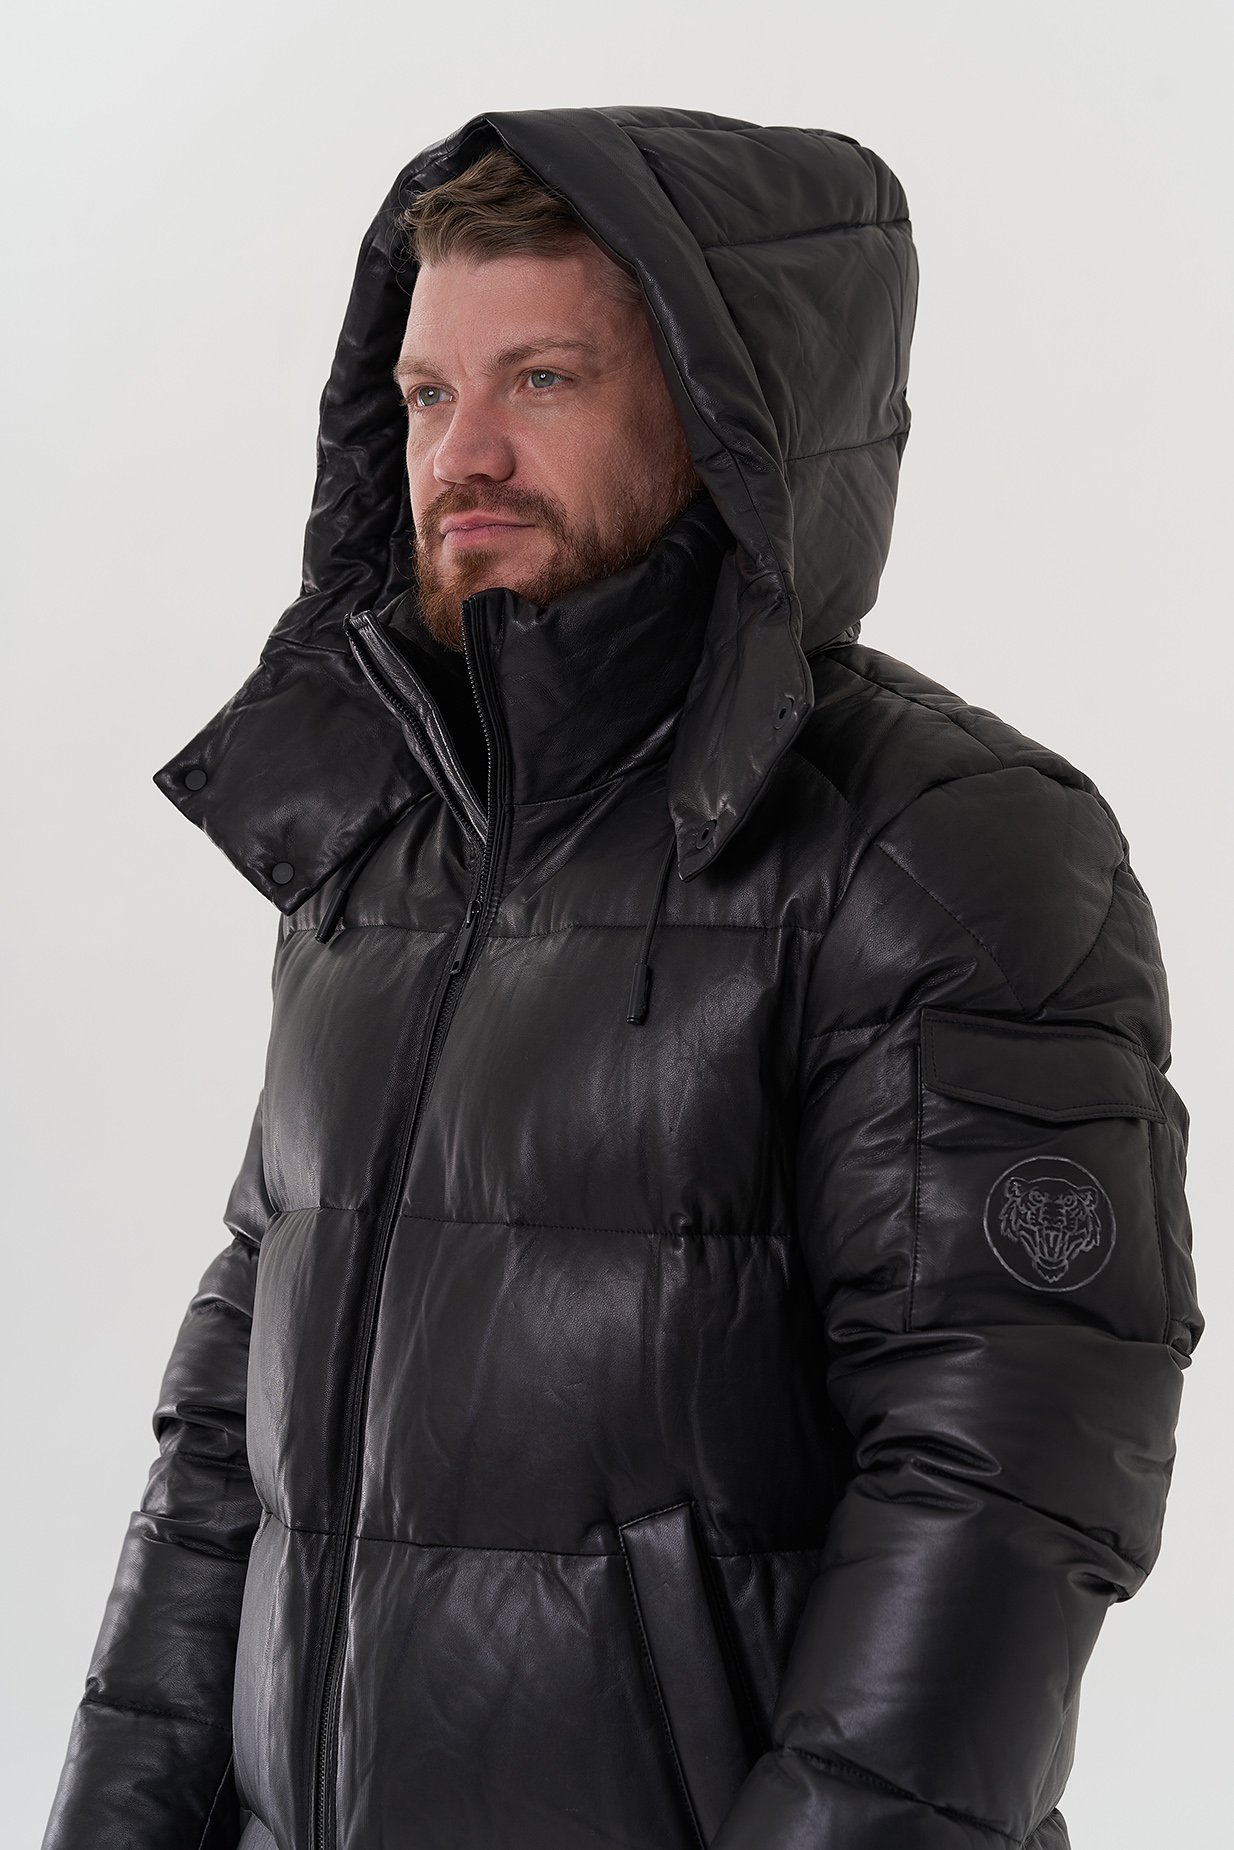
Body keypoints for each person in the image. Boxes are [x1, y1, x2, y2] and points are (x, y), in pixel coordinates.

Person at [43, 110, 1200, 1850]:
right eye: (426, 394)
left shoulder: (938, 850)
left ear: (729, 416)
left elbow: (1000, 1483)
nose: (463, 453)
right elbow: (230, 1431)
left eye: (544, 380)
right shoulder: (382, 843)